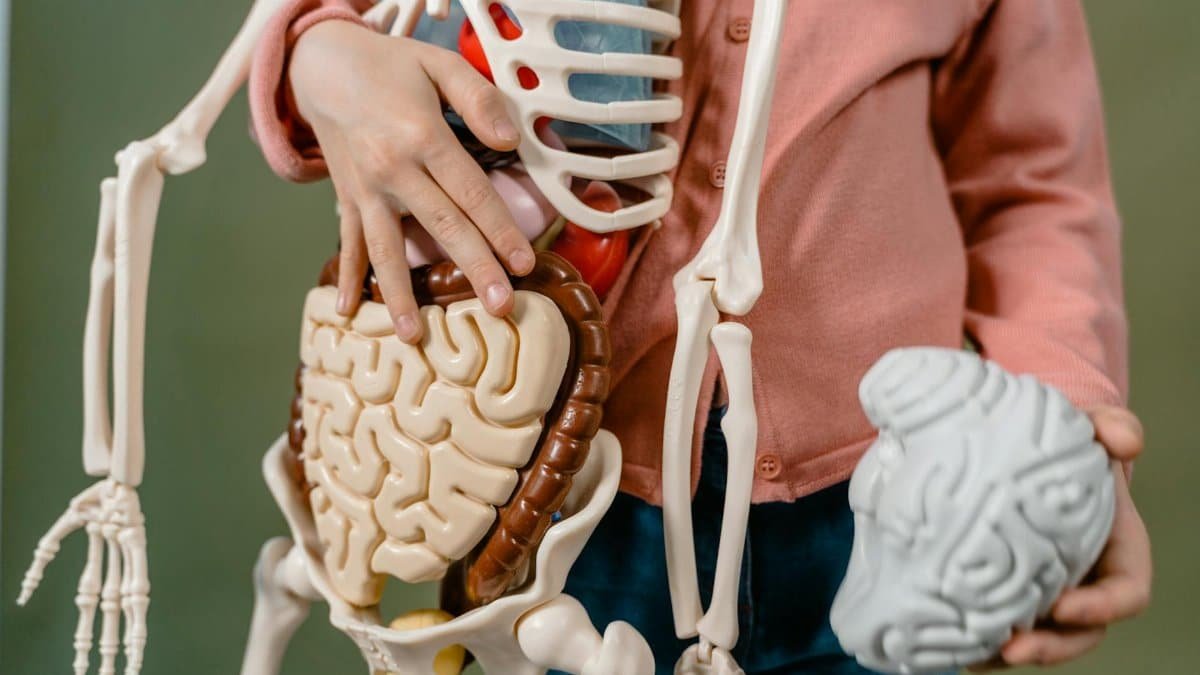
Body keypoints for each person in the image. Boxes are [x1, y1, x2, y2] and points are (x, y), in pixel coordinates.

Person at [248, 1, 1152, 672]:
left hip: (889, 499)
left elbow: (1034, 185)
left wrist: (1064, 431)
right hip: (574, 494)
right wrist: (317, 57)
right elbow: (336, 36)